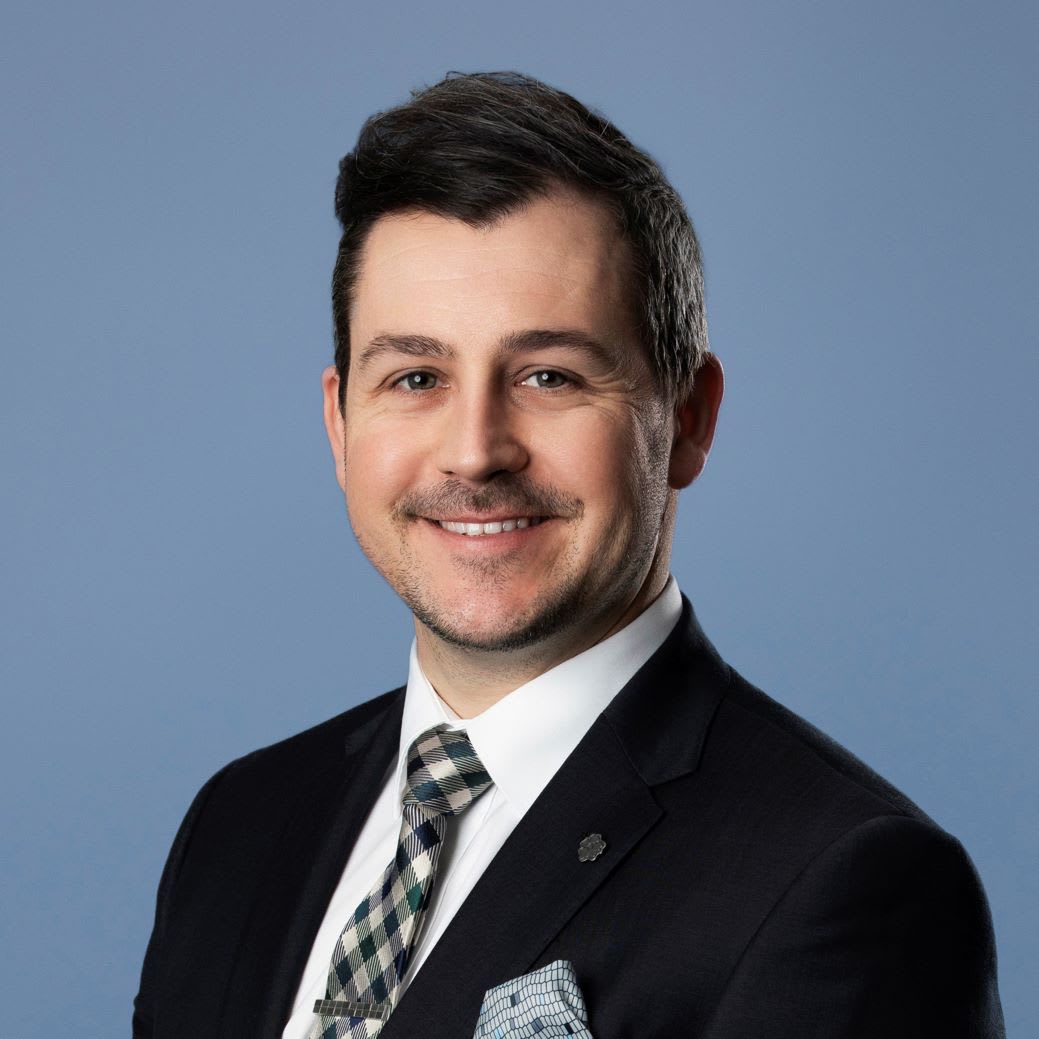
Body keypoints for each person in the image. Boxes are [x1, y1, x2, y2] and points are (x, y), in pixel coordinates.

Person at [133, 72, 1005, 1039]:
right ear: (340, 423)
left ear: (688, 418)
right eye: (415, 377)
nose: (474, 451)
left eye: (548, 376)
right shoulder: (242, 823)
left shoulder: (843, 881)